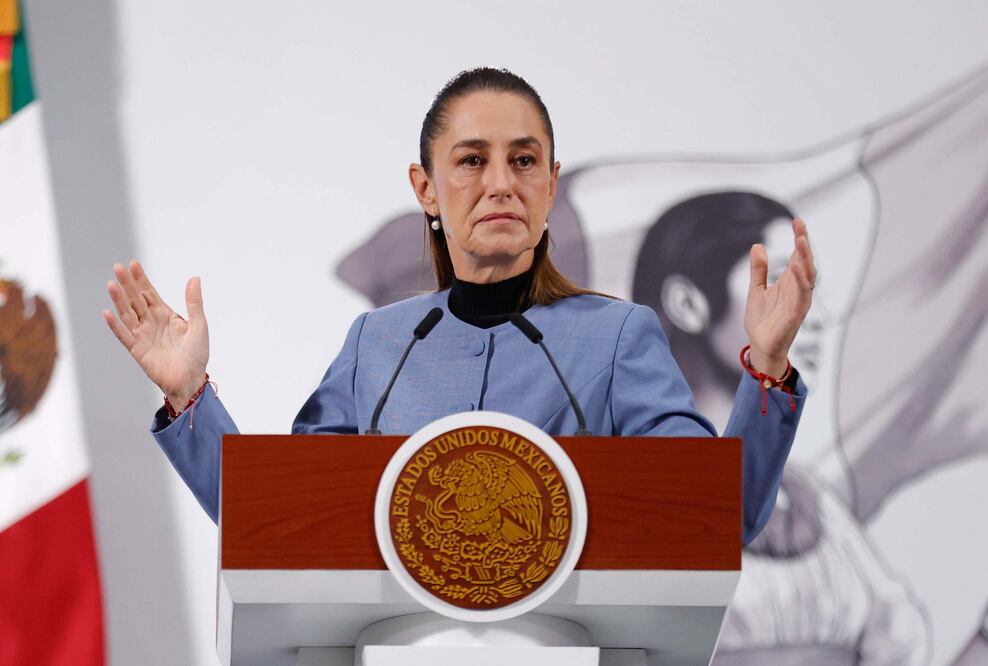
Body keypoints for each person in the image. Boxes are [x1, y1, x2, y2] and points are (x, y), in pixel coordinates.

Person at [102, 68, 817, 544]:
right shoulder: (375, 344)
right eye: (472, 160)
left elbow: (716, 516)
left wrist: (770, 367)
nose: (500, 183)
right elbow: (282, 523)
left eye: (525, 160)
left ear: (551, 185)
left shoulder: (618, 337)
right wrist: (189, 396)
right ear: (424, 188)